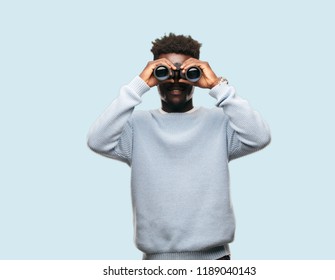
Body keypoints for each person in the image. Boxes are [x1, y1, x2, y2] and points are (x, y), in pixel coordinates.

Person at [87, 33, 271, 260]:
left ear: (197, 73)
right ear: (154, 75)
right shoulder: (136, 126)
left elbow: (259, 136)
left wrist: (217, 85)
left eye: (186, 72)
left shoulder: (220, 122)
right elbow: (97, 140)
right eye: (165, 73)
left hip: (215, 261)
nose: (175, 80)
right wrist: (138, 85)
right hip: (157, 262)